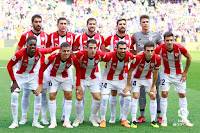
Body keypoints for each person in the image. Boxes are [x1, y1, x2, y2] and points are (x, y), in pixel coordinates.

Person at [7, 36, 59, 129]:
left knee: (38, 95)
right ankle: (15, 121)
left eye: (34, 45)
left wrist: (61, 49)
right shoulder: (20, 53)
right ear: (26, 45)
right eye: (30, 45)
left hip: (32, 76)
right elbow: (9, 66)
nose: (32, 47)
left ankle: (35, 121)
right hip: (19, 75)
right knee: (14, 95)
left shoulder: (39, 51)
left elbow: (51, 49)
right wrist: (14, 81)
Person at [37, 42, 82, 128]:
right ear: (60, 51)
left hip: (65, 75)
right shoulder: (52, 57)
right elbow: (41, 69)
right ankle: (53, 121)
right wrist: (40, 84)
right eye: (64, 51)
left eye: (68, 51)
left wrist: (78, 84)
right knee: (52, 95)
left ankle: (66, 121)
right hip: (53, 75)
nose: (66, 53)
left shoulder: (73, 58)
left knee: (69, 95)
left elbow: (78, 70)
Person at [16, 14, 50, 125]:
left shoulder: (46, 36)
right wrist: (18, 63)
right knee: (26, 93)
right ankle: (24, 117)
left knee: (42, 93)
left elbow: (48, 50)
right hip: (28, 69)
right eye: (36, 21)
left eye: (40, 21)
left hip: (42, 69)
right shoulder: (25, 36)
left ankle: (43, 117)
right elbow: (19, 48)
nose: (38, 23)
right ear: (32, 23)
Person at [154, 32, 193, 127]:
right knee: (164, 94)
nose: (169, 42)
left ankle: (184, 119)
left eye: (171, 40)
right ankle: (164, 118)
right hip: (166, 74)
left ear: (174, 40)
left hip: (179, 74)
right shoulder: (160, 48)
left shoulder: (179, 48)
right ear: (164, 41)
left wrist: (185, 71)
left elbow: (189, 57)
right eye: (167, 40)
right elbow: (151, 55)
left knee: (182, 94)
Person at [101, 18, 134, 123]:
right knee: (113, 93)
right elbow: (102, 47)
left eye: (124, 24)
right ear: (117, 25)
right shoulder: (111, 38)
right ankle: (112, 117)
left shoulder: (129, 38)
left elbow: (132, 51)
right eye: (120, 24)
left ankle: (122, 117)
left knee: (124, 94)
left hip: (124, 70)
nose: (122, 26)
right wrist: (109, 53)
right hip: (111, 68)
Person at [131, 15, 163, 124]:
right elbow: (130, 49)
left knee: (155, 91)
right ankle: (142, 116)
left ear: (150, 23)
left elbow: (162, 47)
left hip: (152, 68)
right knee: (140, 93)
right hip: (140, 69)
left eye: (147, 21)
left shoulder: (156, 35)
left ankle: (159, 116)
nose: (145, 23)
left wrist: (155, 56)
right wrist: (135, 55)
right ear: (140, 23)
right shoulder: (135, 35)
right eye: (143, 22)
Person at [72, 17, 104, 123]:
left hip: (96, 70)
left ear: (96, 25)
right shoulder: (80, 38)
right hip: (81, 69)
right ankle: (79, 117)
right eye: (90, 24)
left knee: (98, 95)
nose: (92, 26)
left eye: (94, 24)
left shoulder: (100, 37)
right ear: (87, 25)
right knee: (80, 94)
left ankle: (95, 116)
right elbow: (74, 50)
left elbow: (104, 52)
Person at [124, 41, 161, 128]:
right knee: (136, 96)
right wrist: (128, 85)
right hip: (137, 78)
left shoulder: (157, 59)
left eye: (152, 50)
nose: (150, 53)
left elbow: (155, 73)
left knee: (153, 96)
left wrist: (153, 86)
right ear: (144, 50)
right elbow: (130, 71)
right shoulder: (138, 58)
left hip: (148, 78)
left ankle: (153, 120)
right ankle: (133, 120)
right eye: (148, 51)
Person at [48, 17, 76, 123]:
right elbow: (48, 49)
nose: (63, 25)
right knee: (51, 93)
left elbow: (75, 50)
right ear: (57, 25)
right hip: (54, 68)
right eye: (61, 23)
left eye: (65, 23)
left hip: (67, 68)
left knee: (68, 93)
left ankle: (65, 116)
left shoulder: (72, 36)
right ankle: (50, 119)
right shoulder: (51, 36)